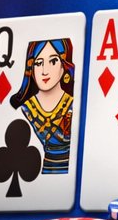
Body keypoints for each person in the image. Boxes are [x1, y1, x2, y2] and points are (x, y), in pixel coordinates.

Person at [7, 38, 75, 174]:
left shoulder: (73, 105)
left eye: (53, 61)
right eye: (38, 63)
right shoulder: (26, 109)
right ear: (30, 67)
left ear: (64, 65)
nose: (44, 71)